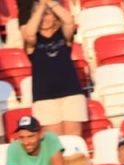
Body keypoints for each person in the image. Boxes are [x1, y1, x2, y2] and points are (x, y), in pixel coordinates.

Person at [21, 0, 88, 137]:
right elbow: (29, 33)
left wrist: (49, 3)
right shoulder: (33, 41)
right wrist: (41, 7)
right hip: (45, 97)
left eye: (49, 14)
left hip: (71, 93)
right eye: (42, 15)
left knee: (73, 140)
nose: (45, 18)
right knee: (54, 142)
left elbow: (69, 21)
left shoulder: (63, 36)